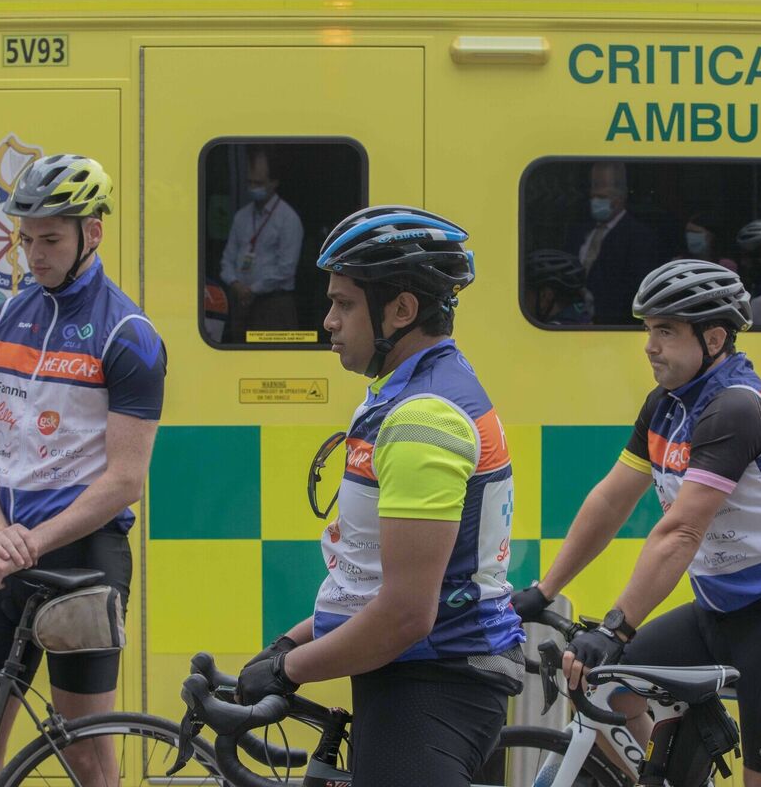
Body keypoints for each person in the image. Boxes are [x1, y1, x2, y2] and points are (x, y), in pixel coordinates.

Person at [512, 259, 761, 787]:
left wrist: (614, 628)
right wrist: (545, 589)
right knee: (610, 692)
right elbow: (610, 500)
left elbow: (680, 532)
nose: (650, 345)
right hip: (719, 610)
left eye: (666, 332)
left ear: (714, 338)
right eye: (649, 330)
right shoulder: (667, 405)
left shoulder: (735, 408)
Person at [235, 206, 526, 786]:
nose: (329, 321)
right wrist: (286, 645)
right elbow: (367, 584)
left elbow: (405, 614)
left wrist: (289, 671)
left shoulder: (425, 415)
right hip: (414, 675)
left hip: (434, 687)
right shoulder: (404, 390)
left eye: (343, 303)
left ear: (400, 309)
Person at [0, 154, 167, 786]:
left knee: (85, 754)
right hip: (5, 554)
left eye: (50, 238)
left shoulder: (128, 334)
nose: (34, 252)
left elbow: (125, 479)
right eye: (26, 237)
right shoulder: (5, 317)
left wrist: (30, 543)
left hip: (81, 561)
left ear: (90, 234)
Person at [219, 146, 305, 340]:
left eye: (258, 183)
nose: (253, 188)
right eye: (249, 183)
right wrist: (235, 283)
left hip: (274, 305)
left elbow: (286, 269)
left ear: (274, 182)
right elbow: (227, 259)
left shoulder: (288, 219)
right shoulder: (241, 217)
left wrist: (252, 289)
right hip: (241, 303)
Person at [571, 161, 663, 325]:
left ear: (620, 198)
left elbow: (637, 288)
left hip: (613, 324)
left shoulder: (639, 236)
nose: (595, 202)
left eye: (602, 197)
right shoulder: (581, 230)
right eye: (593, 196)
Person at [523, 248, 593, 325]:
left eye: (525, 293)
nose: (523, 299)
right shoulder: (581, 318)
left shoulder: (552, 332)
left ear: (545, 296)